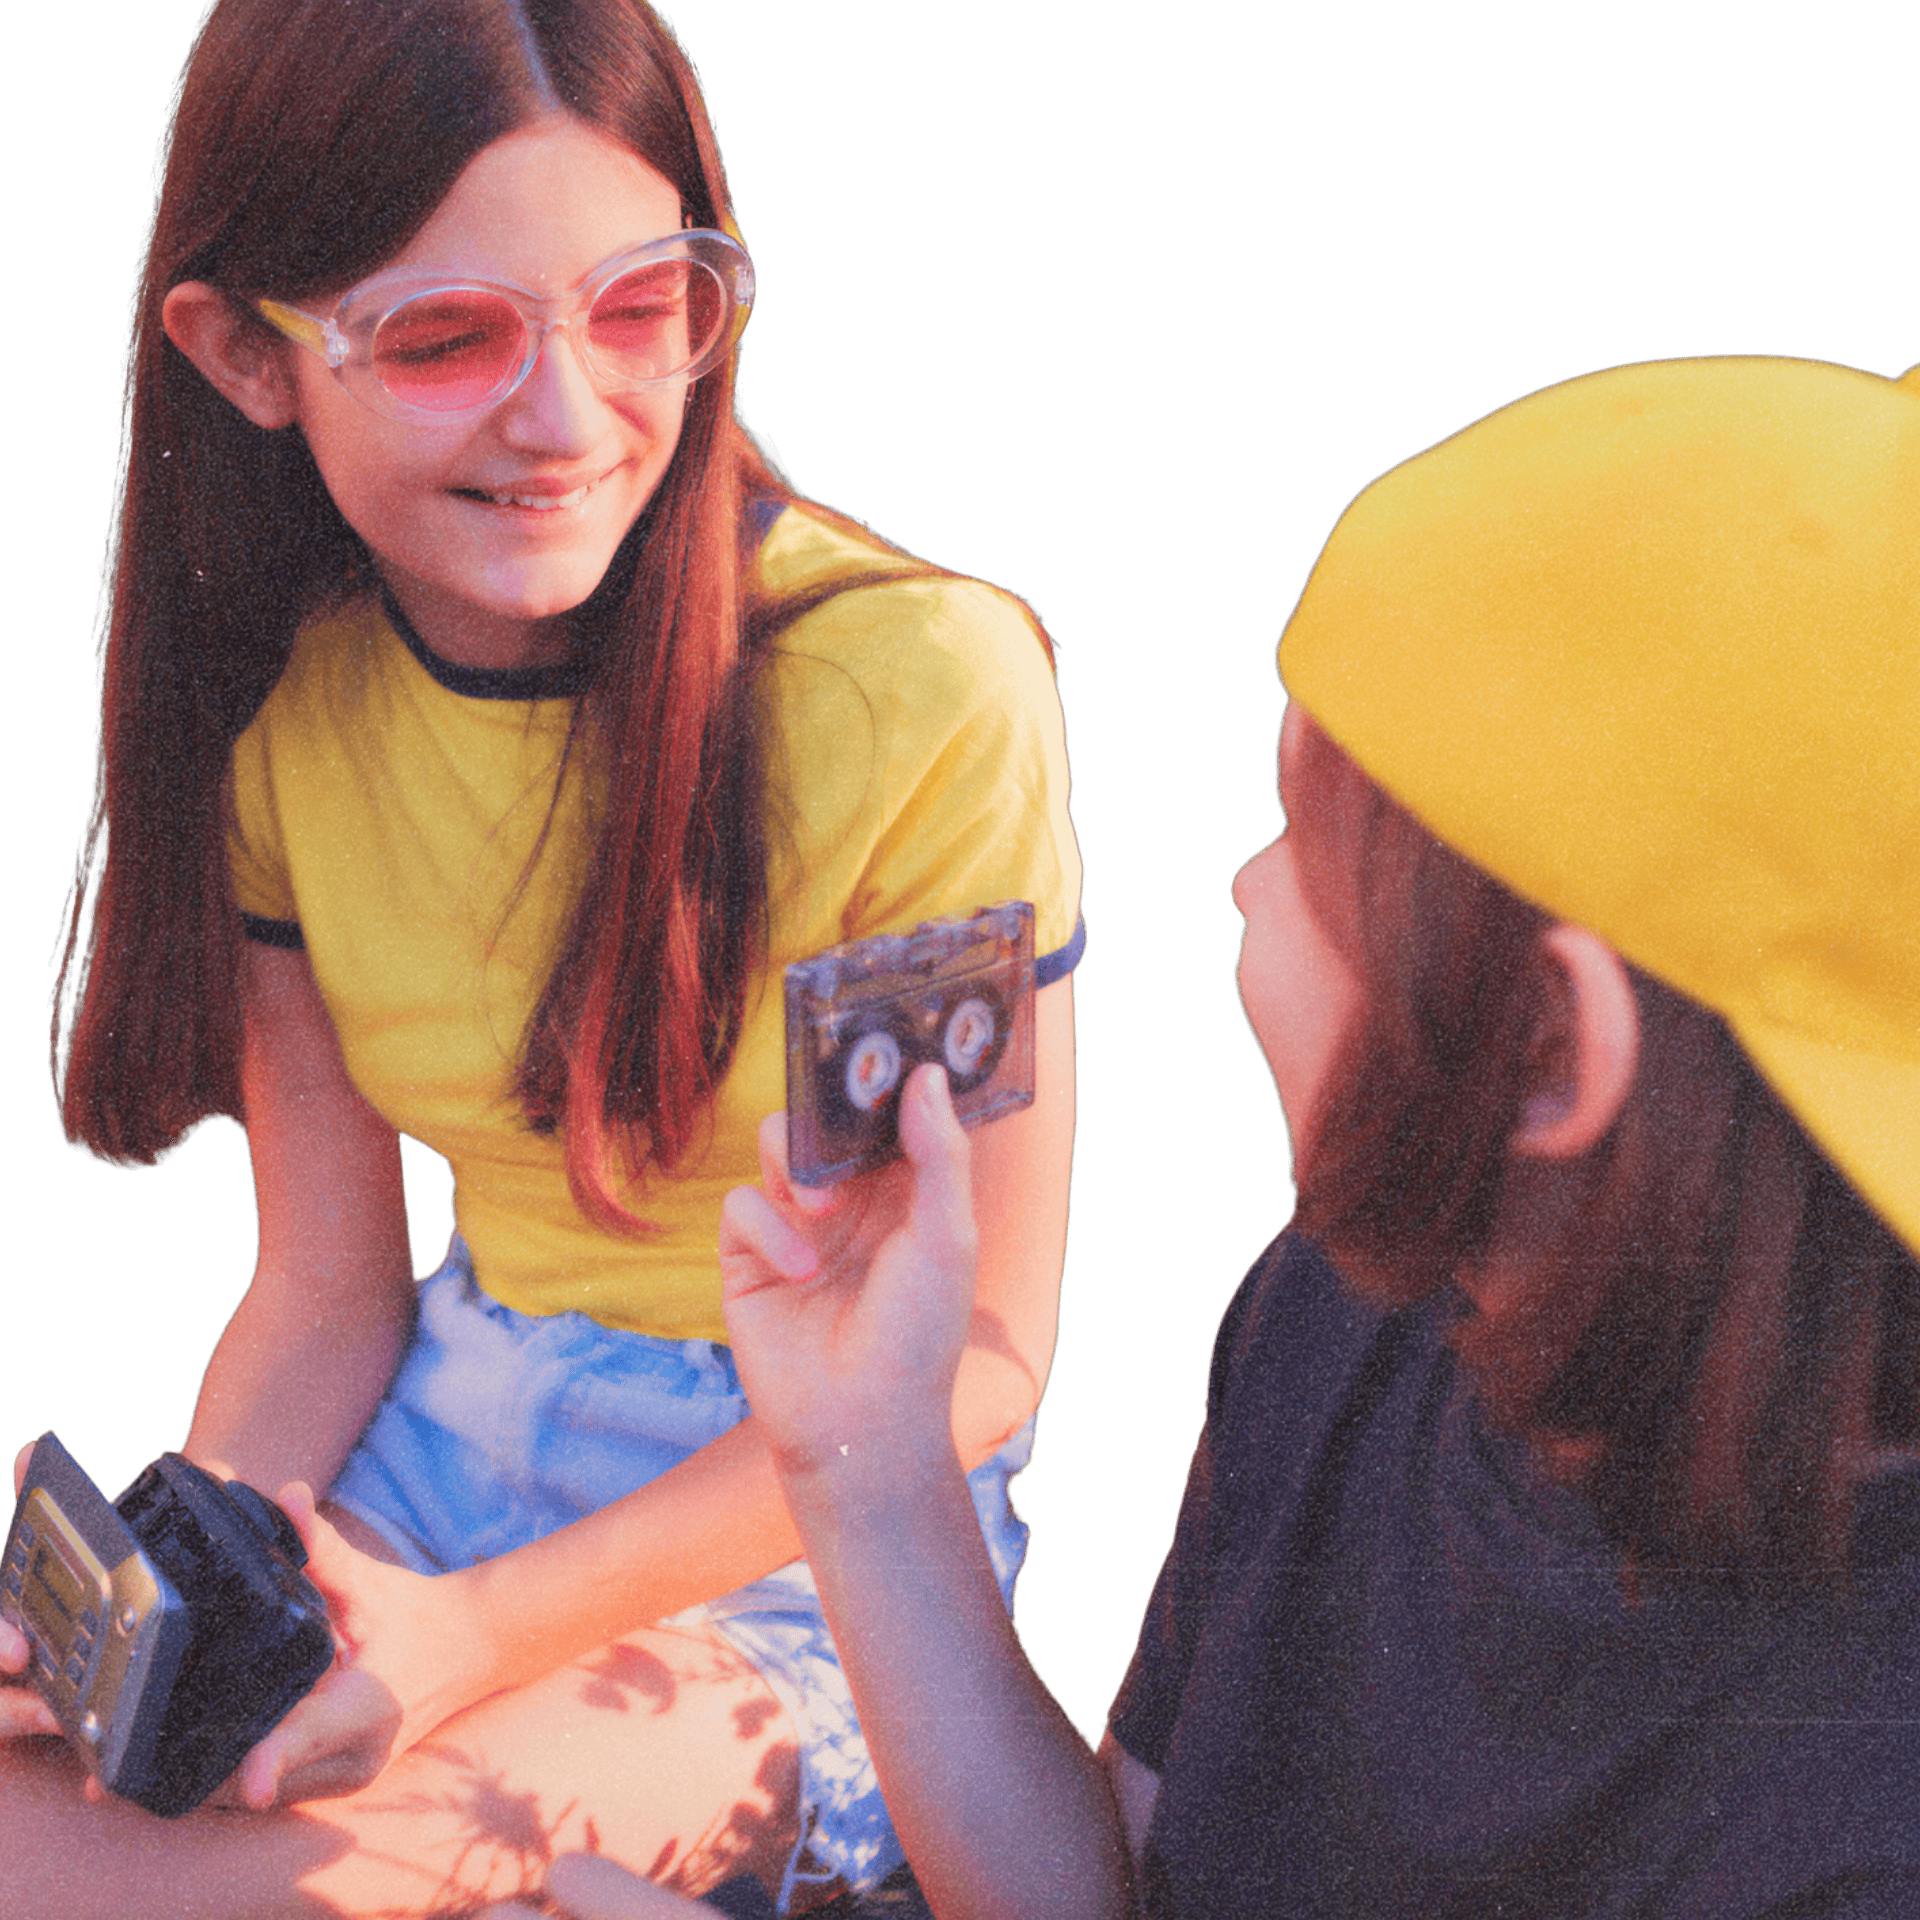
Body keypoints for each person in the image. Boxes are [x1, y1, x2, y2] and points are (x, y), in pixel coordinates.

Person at [0, 2, 1079, 1914]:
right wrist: (190, 1593)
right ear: (246, 355)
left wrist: (474, 1638)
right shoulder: (280, 715)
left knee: (264, 1894)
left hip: (806, 1537)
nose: (569, 419)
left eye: (641, 308)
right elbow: (328, 1292)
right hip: (425, 1464)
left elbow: (975, 1366)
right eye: (445, 337)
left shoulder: (916, 687)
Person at [705, 355, 1920, 1919]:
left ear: (1551, 1048)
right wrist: (869, 1468)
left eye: (1306, 837)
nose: (1248, 888)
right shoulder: (1361, 1314)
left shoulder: (1867, 1817)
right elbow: (1118, 1893)